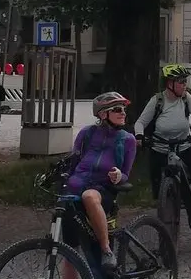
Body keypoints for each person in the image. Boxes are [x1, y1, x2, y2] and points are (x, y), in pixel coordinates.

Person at [134, 64, 191, 238]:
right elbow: (140, 122)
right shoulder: (157, 101)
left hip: (184, 146)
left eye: (185, 81)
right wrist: (139, 136)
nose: (184, 85)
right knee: (162, 194)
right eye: (180, 81)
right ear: (169, 84)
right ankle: (167, 232)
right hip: (160, 149)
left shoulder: (186, 99)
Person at [62, 91, 136, 274]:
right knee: (69, 250)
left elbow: (126, 174)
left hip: (102, 188)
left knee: (89, 196)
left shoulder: (128, 140)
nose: (123, 113)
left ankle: (106, 250)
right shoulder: (86, 133)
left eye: (124, 109)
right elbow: (73, 161)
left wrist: (119, 175)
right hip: (75, 187)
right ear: (103, 114)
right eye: (118, 109)